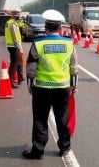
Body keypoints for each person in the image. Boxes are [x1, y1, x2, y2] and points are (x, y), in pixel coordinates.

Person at [23, 9, 78, 159]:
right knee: (63, 119)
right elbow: (73, 66)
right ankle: (65, 148)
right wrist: (74, 85)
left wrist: (30, 85)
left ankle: (38, 150)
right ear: (60, 28)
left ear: (45, 27)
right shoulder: (69, 43)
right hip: (63, 88)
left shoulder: (38, 43)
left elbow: (31, 67)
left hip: (42, 88)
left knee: (40, 119)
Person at [4, 11, 24, 88]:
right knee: (14, 64)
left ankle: (20, 77)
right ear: (14, 16)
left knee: (19, 61)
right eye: (17, 15)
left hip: (11, 46)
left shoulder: (9, 22)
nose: (19, 17)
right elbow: (15, 37)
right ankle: (11, 81)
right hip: (14, 46)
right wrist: (20, 48)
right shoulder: (12, 24)